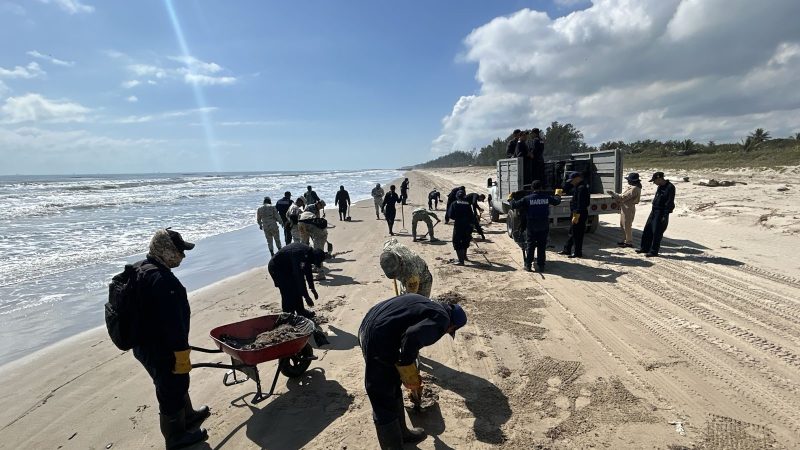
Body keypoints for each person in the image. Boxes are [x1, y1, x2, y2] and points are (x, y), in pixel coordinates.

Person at [358, 293, 467, 449]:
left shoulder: (429, 304)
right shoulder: (442, 319)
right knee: (382, 394)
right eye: (450, 330)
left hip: (373, 324)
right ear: (452, 325)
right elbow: (412, 337)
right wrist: (407, 365)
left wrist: (402, 364)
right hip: (378, 336)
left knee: (393, 382)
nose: (447, 331)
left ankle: (402, 433)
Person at [132, 229, 209, 449]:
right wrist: (181, 353)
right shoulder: (162, 281)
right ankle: (175, 436)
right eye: (179, 251)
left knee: (176, 383)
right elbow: (173, 324)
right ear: (165, 249)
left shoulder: (142, 268)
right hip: (161, 347)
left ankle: (188, 416)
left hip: (145, 344)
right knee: (171, 387)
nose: (182, 256)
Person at [511, 180, 561, 272]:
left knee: (531, 245)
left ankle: (528, 265)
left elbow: (514, 205)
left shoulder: (527, 198)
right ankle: (541, 266)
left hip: (532, 226)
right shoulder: (547, 197)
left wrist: (511, 199)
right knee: (542, 246)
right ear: (541, 188)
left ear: (532, 188)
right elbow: (557, 202)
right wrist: (558, 194)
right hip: (544, 225)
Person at [267, 242, 326, 318]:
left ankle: (301, 311)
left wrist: (312, 288)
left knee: (296, 289)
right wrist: (306, 297)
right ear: (313, 258)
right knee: (287, 292)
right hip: (276, 268)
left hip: (287, 268)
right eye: (314, 262)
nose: (313, 264)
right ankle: (287, 315)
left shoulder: (308, 254)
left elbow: (308, 272)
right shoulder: (299, 254)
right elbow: (299, 277)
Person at [637, 172, 675, 257]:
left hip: (661, 212)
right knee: (647, 229)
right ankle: (644, 248)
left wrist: (665, 215)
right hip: (654, 210)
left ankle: (654, 251)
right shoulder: (660, 186)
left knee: (657, 232)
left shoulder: (670, 187)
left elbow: (670, 202)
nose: (654, 183)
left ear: (659, 178)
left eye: (655, 180)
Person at [559, 172, 590, 258]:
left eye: (572, 180)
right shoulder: (578, 186)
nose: (571, 182)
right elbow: (567, 188)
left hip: (579, 213)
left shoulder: (582, 188)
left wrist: (576, 216)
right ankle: (567, 249)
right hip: (576, 213)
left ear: (578, 178)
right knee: (572, 232)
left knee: (577, 234)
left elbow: (581, 204)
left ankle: (577, 253)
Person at [608, 173, 642, 248]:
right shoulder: (634, 187)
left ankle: (629, 242)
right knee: (623, 224)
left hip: (628, 208)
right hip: (626, 207)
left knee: (627, 225)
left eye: (629, 180)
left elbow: (623, 197)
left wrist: (614, 194)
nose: (628, 181)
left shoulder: (634, 189)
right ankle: (624, 240)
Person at [448, 190, 478, 265]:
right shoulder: (468, 204)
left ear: (457, 196)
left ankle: (461, 261)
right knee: (465, 240)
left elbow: (451, 215)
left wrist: (457, 218)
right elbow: (471, 215)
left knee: (457, 241)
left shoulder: (454, 203)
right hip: (467, 225)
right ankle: (464, 256)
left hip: (459, 225)